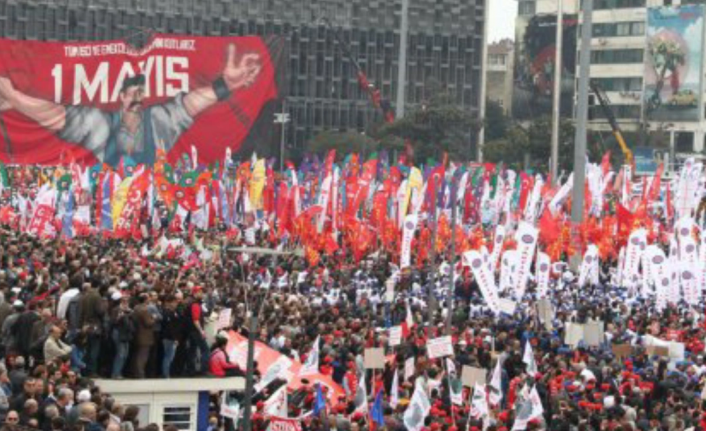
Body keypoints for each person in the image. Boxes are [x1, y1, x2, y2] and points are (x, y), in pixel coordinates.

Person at [0, 44, 262, 166]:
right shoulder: (100, 126)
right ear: (122, 97)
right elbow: (56, 115)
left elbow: (189, 104)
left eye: (141, 94)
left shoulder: (158, 122)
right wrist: (14, 97)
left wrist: (224, 86)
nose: (138, 99)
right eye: (132, 94)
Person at [185, 286, 210, 376]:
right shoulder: (195, 304)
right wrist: (201, 331)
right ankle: (204, 370)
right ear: (195, 293)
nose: (202, 294)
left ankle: (191, 371)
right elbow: (195, 320)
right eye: (200, 292)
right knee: (206, 350)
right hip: (196, 331)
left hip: (191, 331)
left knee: (192, 351)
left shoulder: (192, 303)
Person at [108, 293, 133, 379]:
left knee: (125, 354)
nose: (126, 303)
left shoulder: (129, 311)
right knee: (120, 354)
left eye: (127, 301)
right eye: (124, 301)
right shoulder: (116, 310)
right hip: (118, 332)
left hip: (126, 333)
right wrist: (120, 317)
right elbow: (112, 322)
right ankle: (115, 373)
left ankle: (119, 372)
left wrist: (129, 314)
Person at [131, 293, 155, 379]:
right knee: (143, 355)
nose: (150, 300)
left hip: (137, 334)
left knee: (137, 355)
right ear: (145, 300)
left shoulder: (136, 308)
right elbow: (148, 323)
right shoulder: (144, 310)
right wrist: (154, 318)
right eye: (148, 298)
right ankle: (140, 374)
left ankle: (136, 372)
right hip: (144, 336)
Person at [160, 294, 181, 378]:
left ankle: (167, 373)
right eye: (174, 302)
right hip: (168, 338)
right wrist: (174, 338)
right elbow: (170, 327)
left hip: (173, 337)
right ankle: (166, 374)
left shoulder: (174, 312)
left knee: (170, 357)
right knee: (168, 356)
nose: (176, 304)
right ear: (170, 303)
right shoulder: (166, 312)